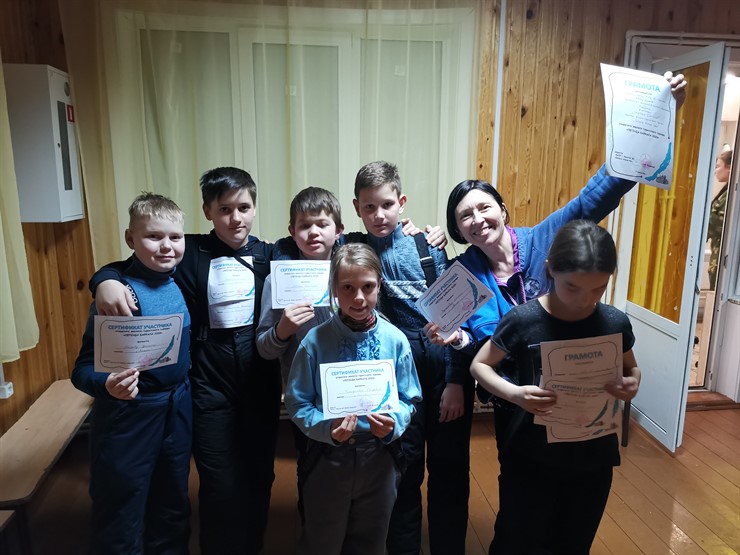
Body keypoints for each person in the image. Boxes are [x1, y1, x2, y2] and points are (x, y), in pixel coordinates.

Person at [426, 71, 686, 374]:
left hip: (569, 371)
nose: (478, 219)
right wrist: (458, 340)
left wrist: (658, 119)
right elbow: (483, 342)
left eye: (484, 207)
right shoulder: (464, 274)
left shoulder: (545, 237)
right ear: (458, 229)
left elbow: (599, 193)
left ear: (502, 211)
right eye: (466, 216)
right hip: (509, 385)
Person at [89, 168, 282, 555]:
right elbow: (132, 264)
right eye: (224, 209)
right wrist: (104, 280)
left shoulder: (270, 255)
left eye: (244, 207)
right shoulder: (187, 249)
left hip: (259, 383)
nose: (235, 218)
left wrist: (407, 231)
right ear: (208, 211)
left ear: (255, 208)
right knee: (219, 481)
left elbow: (324, 245)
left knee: (261, 477)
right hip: (208, 385)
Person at [470, 219, 641, 555]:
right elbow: (480, 365)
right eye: (572, 287)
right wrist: (515, 394)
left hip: (593, 458)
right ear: (550, 268)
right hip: (530, 456)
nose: (584, 300)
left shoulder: (614, 322)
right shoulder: (524, 320)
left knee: (574, 542)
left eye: (598, 288)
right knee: (516, 540)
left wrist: (632, 384)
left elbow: (631, 368)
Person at [347, 161, 469, 555]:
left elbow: (455, 316)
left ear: (401, 203)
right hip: (397, 371)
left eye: (386, 205)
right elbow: (307, 238)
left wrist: (456, 380)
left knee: (449, 468)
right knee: (404, 468)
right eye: (369, 207)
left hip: (442, 365)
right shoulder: (353, 249)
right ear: (357, 208)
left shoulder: (428, 246)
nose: (378, 215)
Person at [72, 193, 192, 554]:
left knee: (173, 503)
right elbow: (81, 370)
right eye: (153, 236)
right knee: (121, 508)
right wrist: (106, 384)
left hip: (178, 408)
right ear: (131, 239)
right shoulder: (117, 295)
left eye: (175, 237)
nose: (166, 246)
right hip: (128, 415)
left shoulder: (183, 276)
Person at [284, 242, 422, 555]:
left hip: (380, 456)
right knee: (322, 539)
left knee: (372, 539)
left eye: (367, 287)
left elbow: (409, 399)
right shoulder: (314, 342)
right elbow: (297, 402)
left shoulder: (395, 340)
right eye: (347, 287)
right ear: (334, 289)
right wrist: (326, 428)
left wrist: (393, 424)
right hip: (327, 457)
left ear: (379, 286)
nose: (358, 297)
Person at [707, 149, 732, 288]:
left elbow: (722, 224)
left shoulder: (732, 195)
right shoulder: (727, 191)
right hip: (718, 256)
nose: (715, 171)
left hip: (724, 260)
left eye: (718, 166)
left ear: (729, 168)